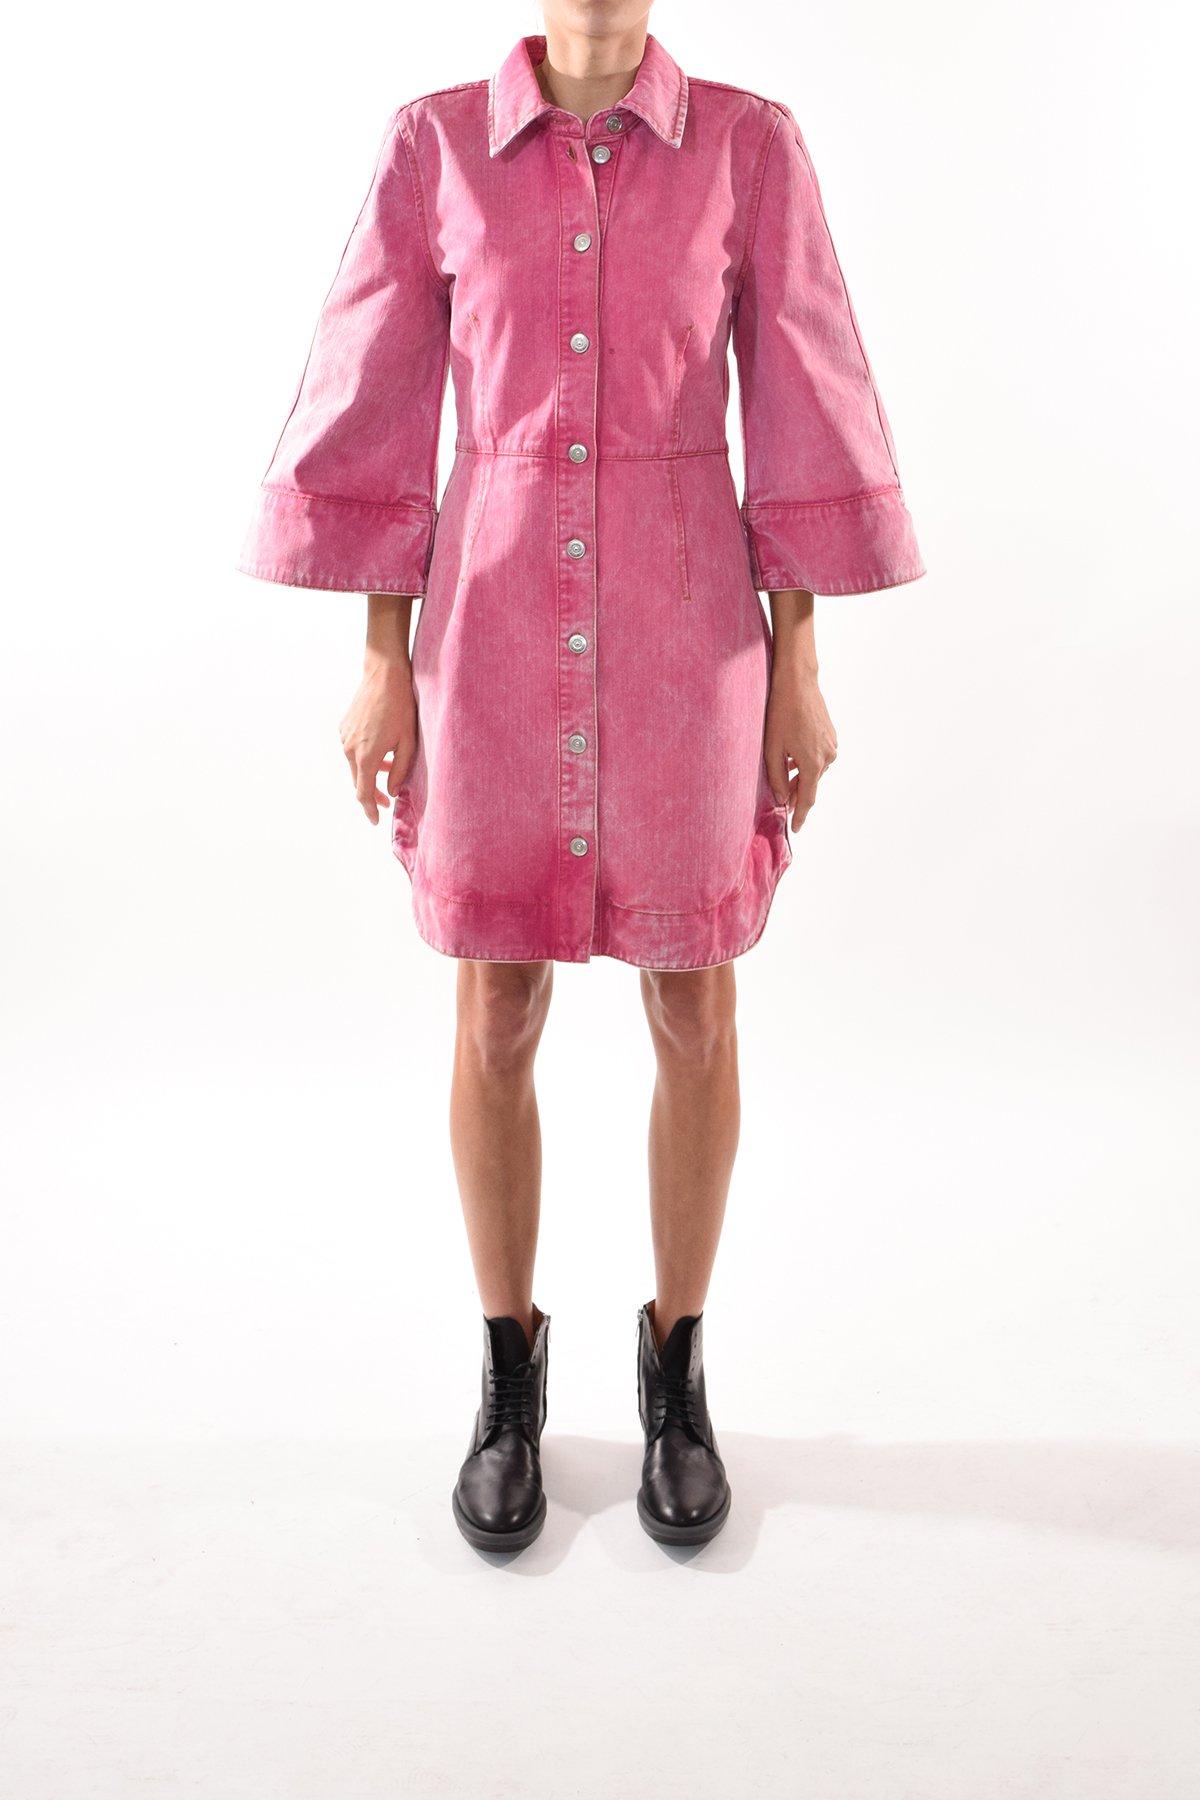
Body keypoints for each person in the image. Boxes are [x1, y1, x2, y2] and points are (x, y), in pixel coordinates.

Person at [239, 1, 923, 1552]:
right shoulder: (434, 146)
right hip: (484, 625)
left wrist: (801, 663)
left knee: (696, 999)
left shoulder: (750, 147)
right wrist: (378, 661)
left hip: (692, 627)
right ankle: (508, 1379)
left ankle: (678, 1372)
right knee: (496, 1002)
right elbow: (380, 408)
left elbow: (799, 400)